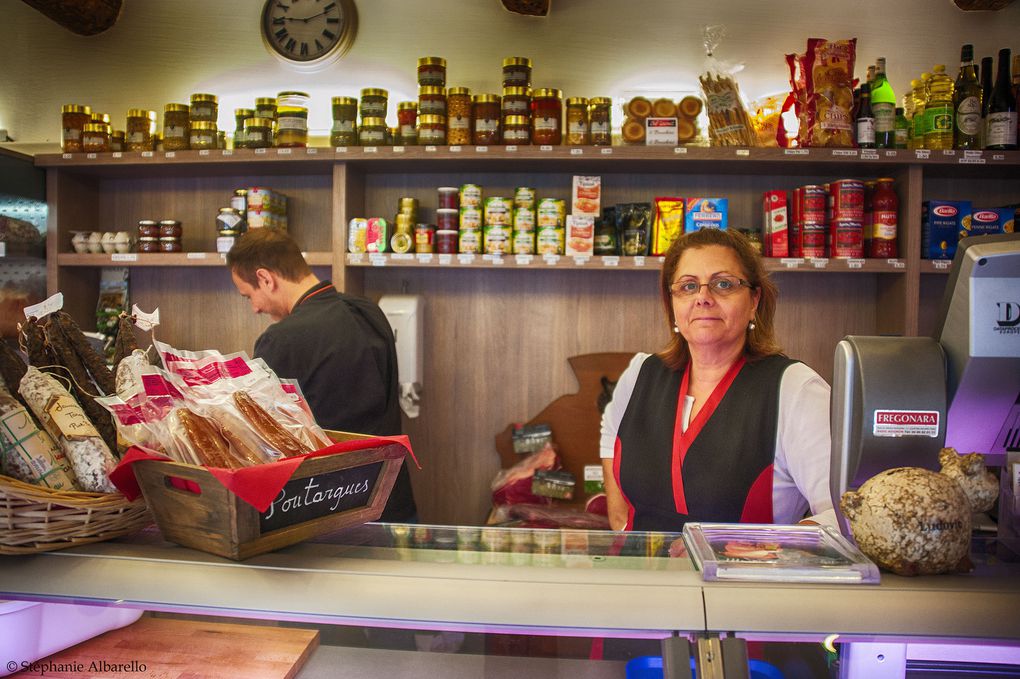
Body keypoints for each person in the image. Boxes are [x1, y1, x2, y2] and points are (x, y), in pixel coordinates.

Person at [600, 228, 835, 532]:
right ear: (671, 304)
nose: (703, 298)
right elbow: (611, 444)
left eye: (723, 284)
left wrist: (741, 553)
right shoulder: (639, 376)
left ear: (754, 300)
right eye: (687, 287)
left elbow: (844, 516)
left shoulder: (796, 389)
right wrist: (622, 532)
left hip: (746, 580)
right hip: (647, 578)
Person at [227, 228, 417, 522]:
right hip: (391, 500)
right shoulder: (369, 311)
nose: (254, 308)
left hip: (328, 511)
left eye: (249, 295)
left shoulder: (282, 340)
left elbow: (260, 440)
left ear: (266, 278)